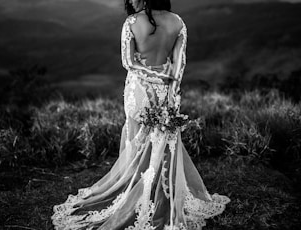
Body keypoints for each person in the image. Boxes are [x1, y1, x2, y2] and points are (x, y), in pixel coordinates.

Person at [51, 0, 230, 229]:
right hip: (166, 90)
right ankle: (158, 194)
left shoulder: (132, 22)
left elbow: (128, 62)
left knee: (136, 138)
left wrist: (151, 77)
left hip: (139, 89)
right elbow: (179, 63)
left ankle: (135, 192)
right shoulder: (178, 22)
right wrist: (171, 90)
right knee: (163, 141)